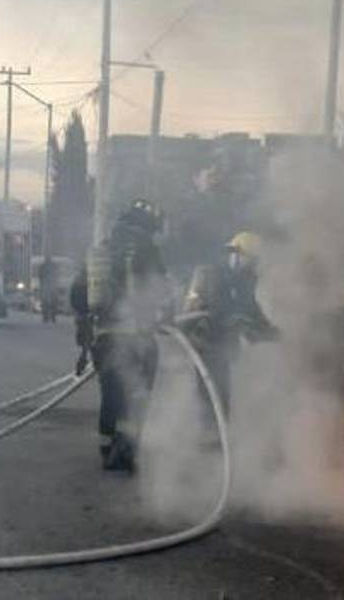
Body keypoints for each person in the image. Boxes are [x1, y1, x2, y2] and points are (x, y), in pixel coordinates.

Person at [70, 199, 169, 472]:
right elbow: (160, 290)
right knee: (138, 393)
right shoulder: (148, 250)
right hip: (138, 336)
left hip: (104, 337)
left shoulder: (101, 250)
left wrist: (86, 337)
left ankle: (107, 449)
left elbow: (78, 296)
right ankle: (127, 449)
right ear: (147, 225)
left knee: (111, 394)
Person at [181, 231, 278, 417]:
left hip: (224, 351)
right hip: (205, 348)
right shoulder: (209, 275)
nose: (252, 265)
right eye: (250, 259)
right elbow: (192, 316)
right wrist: (231, 321)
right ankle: (209, 442)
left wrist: (274, 333)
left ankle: (217, 441)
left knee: (222, 404)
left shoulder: (244, 281)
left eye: (255, 261)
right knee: (211, 405)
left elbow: (252, 311)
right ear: (236, 254)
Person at [37, 257, 59, 323]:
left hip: (47, 285)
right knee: (50, 302)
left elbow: (40, 276)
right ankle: (50, 317)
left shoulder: (43, 266)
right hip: (48, 285)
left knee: (47, 302)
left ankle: (47, 317)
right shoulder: (52, 266)